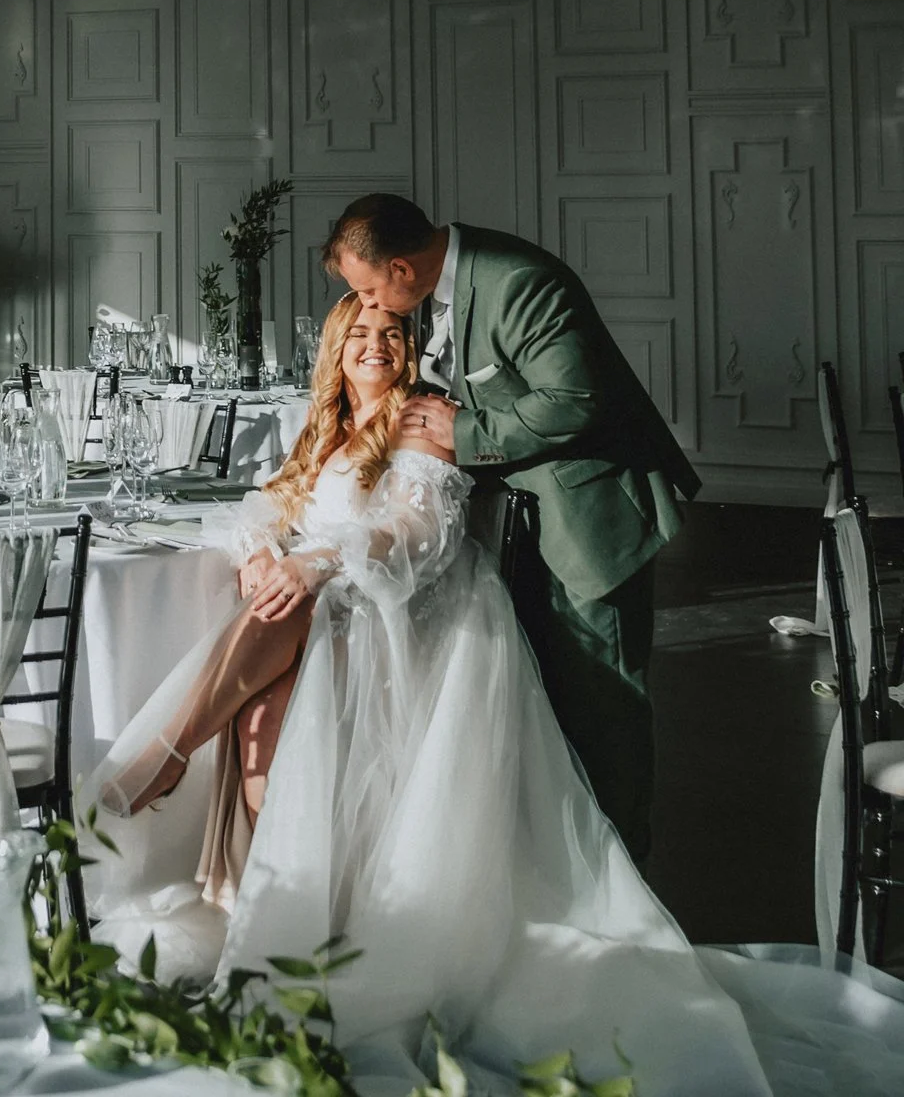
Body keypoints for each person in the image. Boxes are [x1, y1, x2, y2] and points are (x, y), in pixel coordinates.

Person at [82, 295, 904, 1094]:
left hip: (408, 626)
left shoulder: (421, 422)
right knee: (262, 705)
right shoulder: (326, 432)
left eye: (394, 332)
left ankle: (162, 756)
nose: (379, 345)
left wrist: (317, 562)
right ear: (335, 349)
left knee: (289, 630)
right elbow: (267, 502)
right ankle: (282, 914)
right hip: (340, 618)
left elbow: (417, 534)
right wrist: (266, 552)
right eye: (362, 332)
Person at [323, 193, 691, 861]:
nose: (370, 305)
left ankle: (624, 878)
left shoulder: (518, 281)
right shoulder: (431, 289)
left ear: (403, 269)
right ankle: (563, 866)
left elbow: (575, 400)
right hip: (517, 521)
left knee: (603, 706)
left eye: (370, 289)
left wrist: (462, 431)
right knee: (547, 705)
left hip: (588, 514)